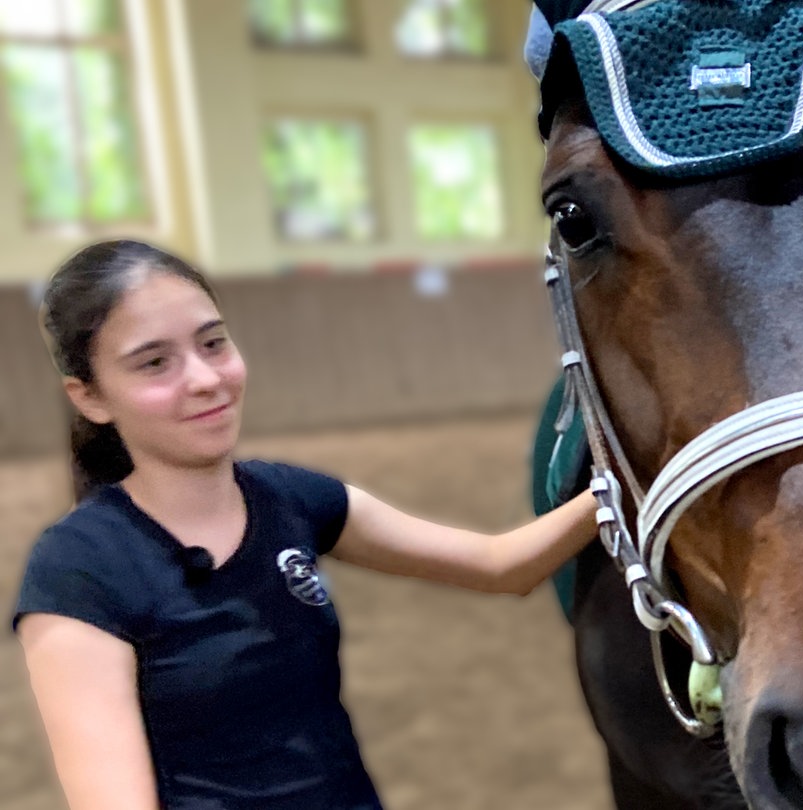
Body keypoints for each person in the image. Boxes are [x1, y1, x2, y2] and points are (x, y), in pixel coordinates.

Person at [11, 240, 599, 810]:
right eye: (155, 363)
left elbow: (500, 566)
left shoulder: (289, 498)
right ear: (89, 397)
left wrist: (628, 489)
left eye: (213, 343)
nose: (205, 378)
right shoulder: (78, 571)